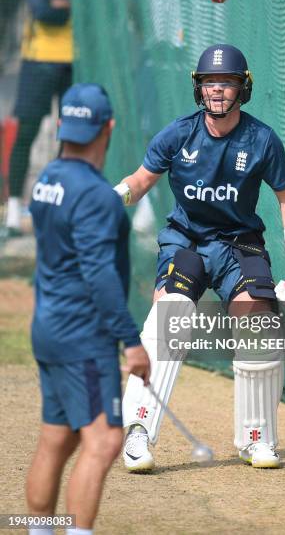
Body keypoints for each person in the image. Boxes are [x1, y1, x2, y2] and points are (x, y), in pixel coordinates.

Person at [115, 44, 285, 471]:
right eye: (210, 83)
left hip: (240, 244)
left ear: (243, 88)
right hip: (186, 240)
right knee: (169, 318)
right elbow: (142, 179)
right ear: (198, 88)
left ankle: (256, 438)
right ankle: (138, 431)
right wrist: (114, 196)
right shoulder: (178, 134)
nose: (217, 91)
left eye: (226, 83)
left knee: (259, 321)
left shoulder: (262, 139)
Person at [27, 83, 150, 535]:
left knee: (57, 440)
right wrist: (131, 342)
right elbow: (100, 276)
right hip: (84, 336)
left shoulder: (47, 180)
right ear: (109, 128)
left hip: (48, 327)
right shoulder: (97, 196)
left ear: (62, 126)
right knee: (105, 440)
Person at [6, 0, 72, 236]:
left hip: (77, 61)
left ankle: (59, 208)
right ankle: (14, 211)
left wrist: (63, 1)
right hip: (40, 59)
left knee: (73, 136)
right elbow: (44, 10)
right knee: (27, 131)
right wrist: (66, 5)